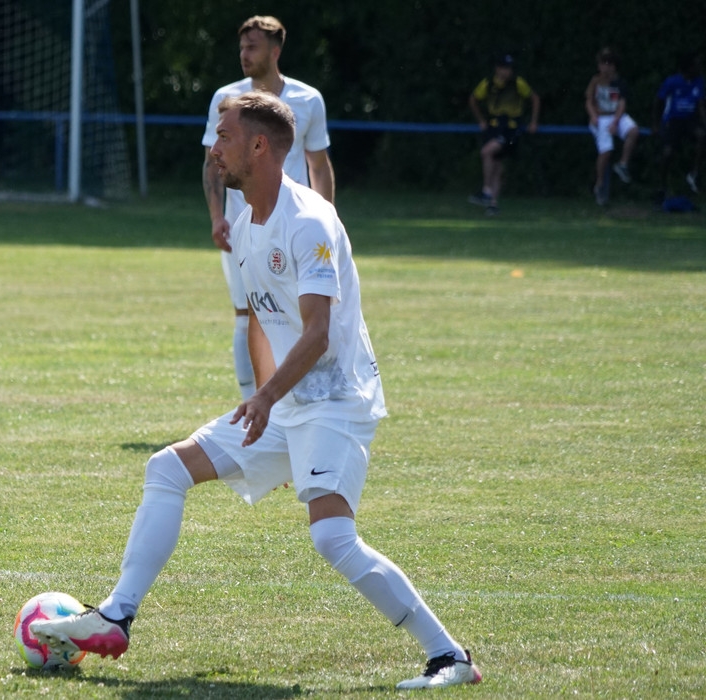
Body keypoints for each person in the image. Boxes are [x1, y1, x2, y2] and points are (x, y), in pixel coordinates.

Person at [30, 91, 482, 691]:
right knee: (167, 468)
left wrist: (270, 400)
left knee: (332, 537)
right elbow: (263, 324)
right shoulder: (244, 226)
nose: (214, 149)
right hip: (285, 405)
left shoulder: (309, 221)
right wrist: (265, 406)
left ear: (260, 146)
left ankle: (450, 657)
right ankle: (116, 616)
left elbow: (318, 333)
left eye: (224, 137)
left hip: (336, 402)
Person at [202, 15, 335, 402]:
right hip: (243, 228)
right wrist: (217, 217)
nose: (244, 54)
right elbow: (212, 163)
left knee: (301, 315)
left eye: (253, 47)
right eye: (242, 47)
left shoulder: (308, 99)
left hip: (295, 228)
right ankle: (252, 403)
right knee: (249, 314)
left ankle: (303, 400)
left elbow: (319, 165)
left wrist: (327, 218)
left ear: (275, 51)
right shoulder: (227, 99)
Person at [468, 53, 540, 216]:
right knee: (497, 165)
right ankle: (493, 204)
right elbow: (473, 99)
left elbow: (534, 98)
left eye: (509, 68)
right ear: (497, 68)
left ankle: (486, 191)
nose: (507, 71)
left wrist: (533, 122)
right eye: (504, 68)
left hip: (511, 128)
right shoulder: (488, 84)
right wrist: (481, 120)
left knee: (487, 152)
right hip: (494, 126)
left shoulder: (517, 83)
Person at [584, 47, 639, 206]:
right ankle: (600, 184)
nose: (605, 68)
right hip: (600, 117)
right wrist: (593, 115)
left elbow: (621, 104)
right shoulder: (595, 81)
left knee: (633, 131)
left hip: (615, 115)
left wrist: (615, 122)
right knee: (606, 151)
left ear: (614, 66)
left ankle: (623, 164)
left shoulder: (619, 83)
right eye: (603, 64)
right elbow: (589, 101)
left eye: (609, 64)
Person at [653, 52, 706, 198]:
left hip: (690, 120)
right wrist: (656, 124)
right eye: (696, 65)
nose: (699, 67)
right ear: (689, 67)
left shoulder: (699, 81)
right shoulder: (672, 82)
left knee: (702, 136)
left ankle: (694, 174)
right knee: (668, 152)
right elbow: (658, 102)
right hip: (673, 120)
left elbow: (701, 105)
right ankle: (661, 185)